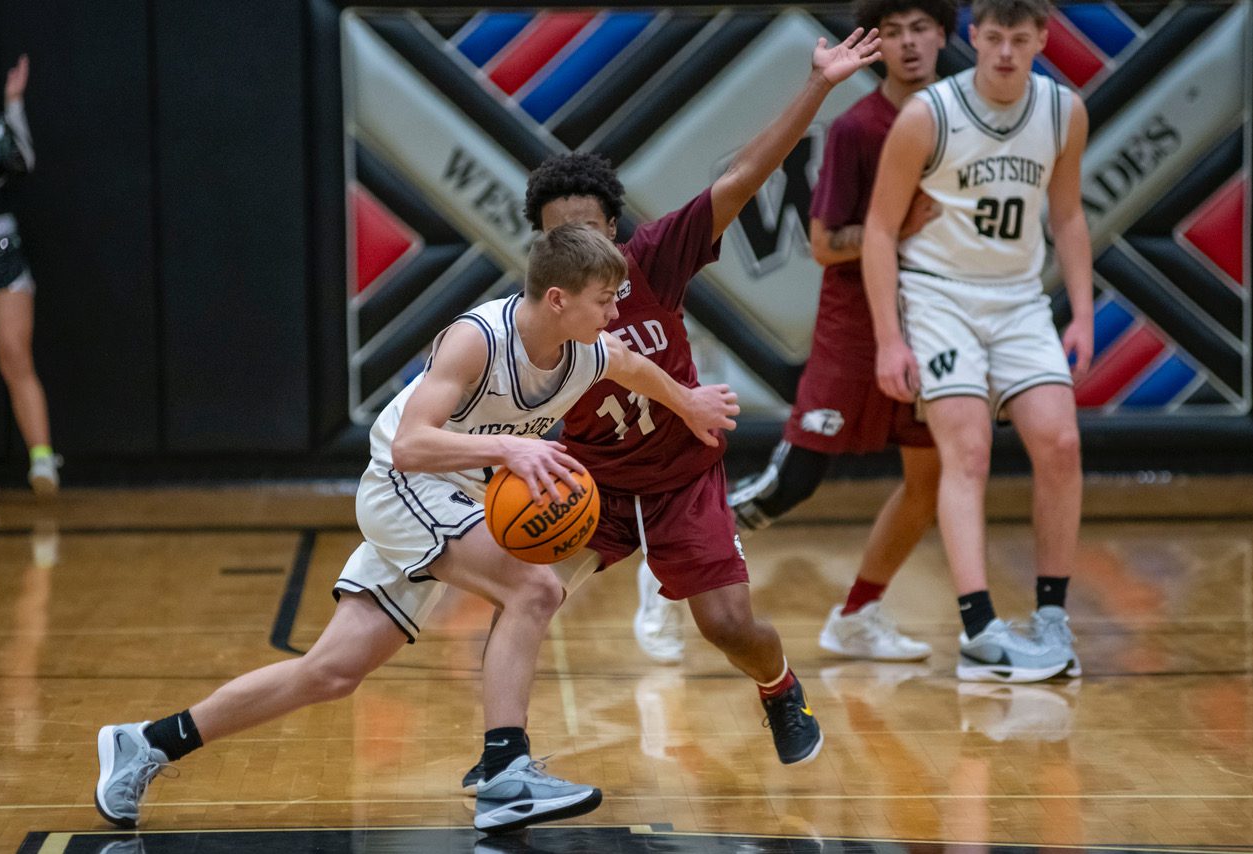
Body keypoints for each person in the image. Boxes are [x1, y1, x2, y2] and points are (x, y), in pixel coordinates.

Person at [93, 224, 740, 834]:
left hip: (456, 496)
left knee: (331, 672)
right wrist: (509, 449)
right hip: (404, 485)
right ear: (556, 299)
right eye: (602, 300)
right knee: (535, 589)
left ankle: (146, 743)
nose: (613, 312)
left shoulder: (589, 351)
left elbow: (634, 369)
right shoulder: (477, 340)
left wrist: (689, 404)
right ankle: (504, 769)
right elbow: (409, 446)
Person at [459, 28, 883, 786]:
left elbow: (745, 176)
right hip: (594, 483)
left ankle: (780, 688)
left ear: (612, 230)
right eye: (559, 236)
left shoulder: (654, 257)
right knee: (524, 595)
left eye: (587, 229)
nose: (575, 244)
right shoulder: (532, 314)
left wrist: (818, 84)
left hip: (682, 476)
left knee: (726, 624)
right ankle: (503, 756)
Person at [863, 0, 1091, 682]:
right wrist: (889, 340)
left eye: (1019, 39)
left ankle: (1051, 615)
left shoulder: (1063, 111)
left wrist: (1081, 314)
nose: (1005, 53)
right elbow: (879, 230)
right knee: (967, 451)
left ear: (1041, 39)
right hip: (939, 296)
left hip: (1019, 299)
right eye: (993, 38)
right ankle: (980, 631)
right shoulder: (927, 115)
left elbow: (1068, 215)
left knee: (1060, 442)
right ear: (972, 36)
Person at [728, 0, 959, 664]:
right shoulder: (859, 129)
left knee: (930, 478)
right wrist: (898, 226)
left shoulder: (965, 121)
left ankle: (856, 615)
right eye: (893, 32)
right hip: (855, 325)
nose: (908, 43)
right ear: (877, 46)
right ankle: (674, 560)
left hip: (934, 319)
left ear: (943, 35)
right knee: (798, 477)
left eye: (920, 28)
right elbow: (826, 244)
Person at [0, 54, 61, 499]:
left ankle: (41, 459)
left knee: (14, 355)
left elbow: (23, 161)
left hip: (0, 252)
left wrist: (14, 103)